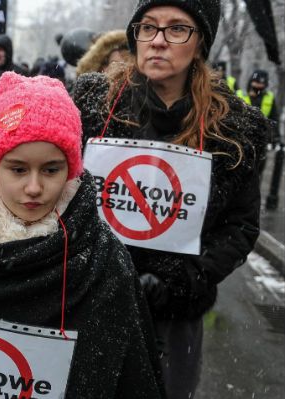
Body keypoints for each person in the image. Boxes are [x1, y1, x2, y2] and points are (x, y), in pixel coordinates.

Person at [0, 72, 163, 399]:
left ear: (71, 170)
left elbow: (130, 377)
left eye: (51, 170)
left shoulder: (104, 264)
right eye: (18, 169)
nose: (34, 188)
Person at [71, 1, 269, 398]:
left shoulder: (234, 131)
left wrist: (181, 282)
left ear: (199, 44)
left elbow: (240, 227)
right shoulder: (93, 107)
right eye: (148, 27)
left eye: (177, 29)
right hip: (89, 302)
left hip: (175, 319)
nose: (158, 42)